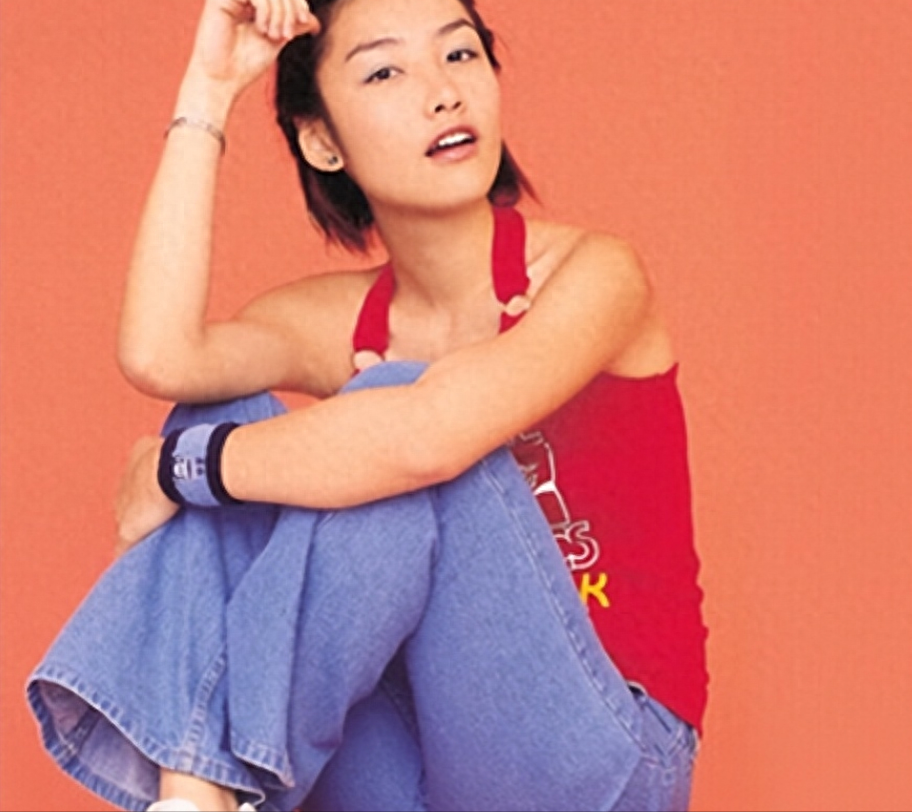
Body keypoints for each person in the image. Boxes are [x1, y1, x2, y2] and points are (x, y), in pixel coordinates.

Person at [26, 0, 708, 809]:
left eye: (459, 54)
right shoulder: (337, 321)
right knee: (220, 411)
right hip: (418, 752)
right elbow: (160, 356)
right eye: (385, 71)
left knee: (387, 411)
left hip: (604, 755)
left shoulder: (595, 275)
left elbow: (427, 437)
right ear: (322, 140)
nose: (442, 92)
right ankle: (196, 794)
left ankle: (204, 779)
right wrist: (208, 89)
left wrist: (175, 470)